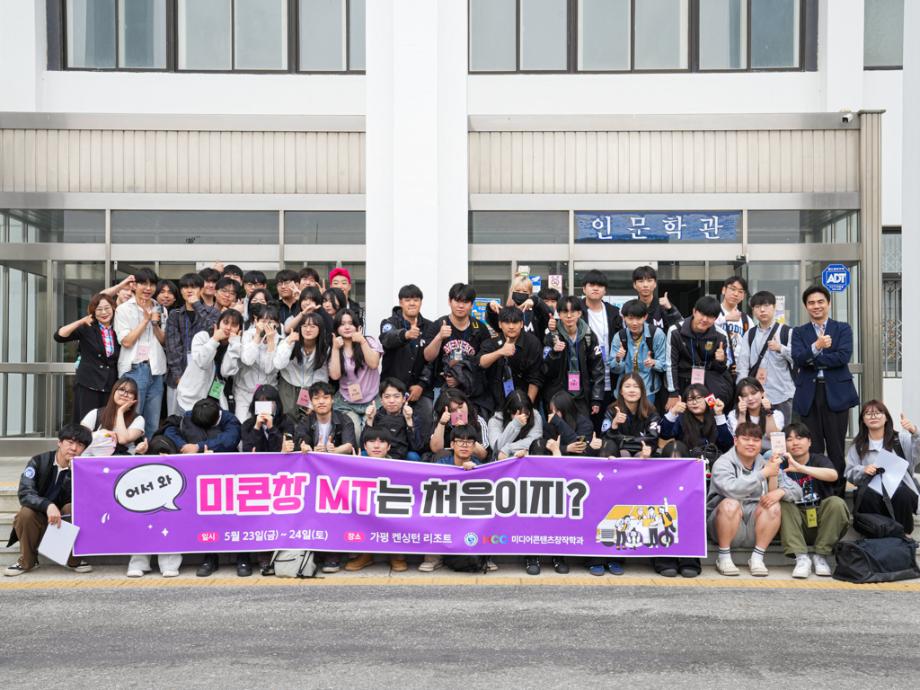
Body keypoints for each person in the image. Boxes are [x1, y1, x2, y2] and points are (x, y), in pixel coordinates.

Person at [707, 422, 802, 577]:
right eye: (746, 439)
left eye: (756, 440)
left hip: (755, 526)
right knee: (730, 503)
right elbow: (732, 489)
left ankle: (757, 558)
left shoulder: (765, 463)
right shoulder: (723, 463)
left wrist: (781, 491)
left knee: (773, 505)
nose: (751, 443)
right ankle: (723, 557)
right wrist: (763, 474)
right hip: (723, 526)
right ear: (736, 440)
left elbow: (797, 491)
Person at [791, 285, 859, 496]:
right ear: (806, 306)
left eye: (820, 301)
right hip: (809, 396)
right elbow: (798, 358)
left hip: (836, 394)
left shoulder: (842, 328)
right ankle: (815, 495)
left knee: (837, 447)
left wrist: (813, 359)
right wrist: (817, 346)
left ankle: (836, 497)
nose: (816, 306)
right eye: (811, 302)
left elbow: (843, 357)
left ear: (828, 303)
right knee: (813, 448)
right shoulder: (799, 332)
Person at [4, 424, 94, 576]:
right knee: (26, 513)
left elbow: (87, 501)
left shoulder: (83, 469)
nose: (74, 448)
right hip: (39, 519)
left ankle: (73, 559)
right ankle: (27, 561)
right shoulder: (39, 461)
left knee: (74, 509)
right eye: (70, 442)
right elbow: (25, 493)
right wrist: (47, 505)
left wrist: (74, 474)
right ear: (59, 442)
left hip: (64, 521)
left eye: (80, 445)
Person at [780, 422, 850, 579]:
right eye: (789, 439)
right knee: (783, 504)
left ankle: (820, 556)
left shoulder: (818, 459)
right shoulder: (781, 464)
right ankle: (801, 558)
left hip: (822, 522)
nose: (795, 443)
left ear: (809, 442)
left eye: (799, 438)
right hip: (796, 523)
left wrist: (801, 468)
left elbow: (833, 475)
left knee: (836, 503)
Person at [844, 400, 919, 535]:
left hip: (901, 492)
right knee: (867, 495)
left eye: (878, 413)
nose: (873, 416)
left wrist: (915, 433)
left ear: (886, 418)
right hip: (872, 494)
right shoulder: (858, 445)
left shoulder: (900, 439)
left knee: (902, 494)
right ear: (863, 421)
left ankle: (901, 536)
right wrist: (863, 470)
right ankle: (876, 535)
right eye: (868, 413)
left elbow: (917, 454)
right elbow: (849, 473)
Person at [345, 428, 410, 573]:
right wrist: (354, 468)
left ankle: (396, 554)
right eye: (372, 441)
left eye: (382, 442)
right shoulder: (355, 463)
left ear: (389, 446)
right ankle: (366, 554)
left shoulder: (400, 467)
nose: (376, 446)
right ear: (365, 446)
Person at [423, 282, 493, 415]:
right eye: (457, 301)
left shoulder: (480, 328)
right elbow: (427, 356)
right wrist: (439, 337)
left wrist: (461, 377)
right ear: (449, 301)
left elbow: (483, 363)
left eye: (465, 302)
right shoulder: (438, 325)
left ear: (471, 304)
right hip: (444, 388)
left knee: (471, 425)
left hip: (472, 391)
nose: (461, 306)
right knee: (443, 422)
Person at [114, 267, 167, 441]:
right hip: (134, 370)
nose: (148, 288)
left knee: (152, 422)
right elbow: (126, 342)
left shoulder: (160, 308)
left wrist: (155, 324)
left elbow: (164, 341)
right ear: (134, 285)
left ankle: (148, 452)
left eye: (152, 284)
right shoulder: (123, 310)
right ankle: (129, 452)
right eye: (143, 283)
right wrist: (145, 320)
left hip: (156, 370)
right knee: (132, 418)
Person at [54, 292, 121, 423]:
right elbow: (59, 336)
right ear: (93, 312)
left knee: (105, 423)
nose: (104, 312)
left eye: (107, 308)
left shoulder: (118, 328)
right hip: (88, 383)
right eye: (99, 309)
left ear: (113, 308)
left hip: (110, 384)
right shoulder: (87, 328)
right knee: (86, 422)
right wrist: (82, 321)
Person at [380, 284, 434, 437]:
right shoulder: (389, 323)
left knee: (426, 417)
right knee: (389, 428)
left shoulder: (430, 327)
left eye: (416, 300)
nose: (412, 303)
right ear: (400, 302)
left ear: (421, 302)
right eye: (407, 300)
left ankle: (420, 450)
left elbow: (432, 359)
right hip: (392, 388)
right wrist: (405, 335)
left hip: (420, 389)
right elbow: (387, 339)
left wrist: (421, 385)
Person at [735, 290, 795, 425]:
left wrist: (781, 348)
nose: (762, 310)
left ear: (774, 307)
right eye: (757, 307)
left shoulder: (787, 332)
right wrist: (743, 392)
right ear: (753, 310)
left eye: (766, 305)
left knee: (782, 434)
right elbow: (742, 366)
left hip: (782, 394)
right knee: (757, 433)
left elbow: (797, 359)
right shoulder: (749, 334)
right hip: (755, 397)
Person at [164, 273, 220, 416]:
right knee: (176, 417)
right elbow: (172, 347)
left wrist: (197, 305)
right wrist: (178, 377)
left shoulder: (213, 313)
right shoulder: (175, 315)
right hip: (180, 371)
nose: (189, 290)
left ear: (201, 290)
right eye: (185, 287)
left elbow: (212, 330)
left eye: (193, 287)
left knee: (205, 416)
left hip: (205, 371)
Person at [665, 295, 733, 409]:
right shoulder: (675, 331)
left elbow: (722, 369)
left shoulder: (721, 335)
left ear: (715, 319)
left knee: (712, 412)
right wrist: (673, 393)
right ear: (694, 312)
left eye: (710, 316)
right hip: (683, 383)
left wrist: (721, 361)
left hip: (709, 386)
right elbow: (671, 365)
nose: (705, 319)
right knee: (681, 414)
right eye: (702, 314)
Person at [542, 295, 604, 420]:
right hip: (558, 396)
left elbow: (597, 368)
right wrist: (554, 353)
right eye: (565, 312)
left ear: (579, 313)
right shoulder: (552, 336)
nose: (569, 316)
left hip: (582, 396)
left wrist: (596, 398)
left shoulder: (589, 335)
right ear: (559, 314)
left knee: (584, 428)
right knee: (560, 429)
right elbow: (545, 370)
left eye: (573, 311)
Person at [579, 269, 623, 432]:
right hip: (585, 370)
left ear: (605, 290)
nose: (595, 288)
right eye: (591, 285)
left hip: (609, 369)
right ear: (584, 289)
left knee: (606, 415)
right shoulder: (576, 310)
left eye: (600, 285)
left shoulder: (613, 311)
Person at [175, 310, 242, 414]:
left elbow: (226, 372)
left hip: (215, 397)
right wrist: (215, 340)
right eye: (225, 322)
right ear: (218, 323)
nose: (228, 328)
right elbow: (202, 363)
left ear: (239, 329)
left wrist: (234, 345)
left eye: (234, 325)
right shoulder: (202, 337)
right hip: (191, 397)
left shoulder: (236, 345)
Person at [651, 440, 701, 579]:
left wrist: (697, 468)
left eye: (679, 459)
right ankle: (665, 561)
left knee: (691, 516)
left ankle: (689, 561)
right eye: (670, 459)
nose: (675, 464)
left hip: (686, 513)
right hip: (664, 514)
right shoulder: (656, 474)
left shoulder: (694, 472)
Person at [329, 309, 383, 437]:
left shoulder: (369, 341)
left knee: (370, 434)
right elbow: (335, 376)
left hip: (372, 400)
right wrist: (335, 349)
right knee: (355, 433)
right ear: (337, 328)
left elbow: (374, 363)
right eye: (342, 324)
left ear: (358, 327)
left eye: (350, 323)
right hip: (346, 402)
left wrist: (362, 341)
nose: (347, 327)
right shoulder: (335, 347)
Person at [478, 306, 544, 407]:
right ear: (500, 324)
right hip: (495, 403)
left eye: (515, 322)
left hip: (524, 399)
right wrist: (500, 352)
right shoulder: (492, 342)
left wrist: (527, 406)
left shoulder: (532, 343)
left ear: (521, 324)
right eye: (507, 322)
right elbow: (481, 363)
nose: (511, 326)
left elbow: (535, 378)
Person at [609, 299, 668, 404]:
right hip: (625, 390)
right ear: (624, 317)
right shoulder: (620, 336)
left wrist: (653, 363)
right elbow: (614, 369)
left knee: (646, 414)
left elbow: (664, 364)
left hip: (647, 389)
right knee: (623, 414)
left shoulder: (656, 334)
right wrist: (618, 359)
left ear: (645, 317)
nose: (634, 323)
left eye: (639, 318)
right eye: (630, 318)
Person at [273, 311, 330, 415]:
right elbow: (279, 364)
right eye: (304, 326)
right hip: (288, 385)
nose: (308, 329)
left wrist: (316, 397)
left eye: (312, 326)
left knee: (306, 418)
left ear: (320, 329)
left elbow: (321, 375)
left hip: (310, 387)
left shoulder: (324, 348)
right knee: (288, 417)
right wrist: (288, 343)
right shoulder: (290, 341)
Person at [659, 384, 734, 457]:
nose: (694, 402)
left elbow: (727, 444)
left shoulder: (717, 416)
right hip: (689, 460)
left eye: (698, 398)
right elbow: (665, 435)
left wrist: (719, 414)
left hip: (715, 459)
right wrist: (673, 412)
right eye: (690, 399)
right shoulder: (681, 418)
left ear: (707, 399)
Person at [236, 304, 280, 423]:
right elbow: (247, 360)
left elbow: (269, 369)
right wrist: (257, 337)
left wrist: (270, 342)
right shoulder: (247, 335)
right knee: (242, 424)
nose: (267, 325)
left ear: (277, 324)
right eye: (263, 321)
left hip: (266, 394)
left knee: (263, 425)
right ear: (256, 321)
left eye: (270, 322)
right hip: (245, 391)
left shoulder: (279, 340)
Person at [80, 377, 146, 456]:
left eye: (130, 392)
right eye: (121, 389)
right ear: (114, 391)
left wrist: (120, 412)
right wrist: (101, 434)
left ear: (135, 398)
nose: (125, 394)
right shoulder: (96, 413)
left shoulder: (138, 419)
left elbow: (122, 440)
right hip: (94, 458)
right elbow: (81, 437)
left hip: (122, 459)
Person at [363, 378, 425, 461]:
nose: (391, 401)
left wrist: (409, 420)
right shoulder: (375, 414)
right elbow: (363, 445)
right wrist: (370, 420)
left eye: (396, 396)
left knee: (413, 456)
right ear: (381, 400)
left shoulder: (412, 415)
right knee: (362, 454)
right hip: (378, 454)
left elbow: (417, 447)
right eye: (387, 397)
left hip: (401, 455)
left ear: (404, 399)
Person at [599, 374, 660, 458]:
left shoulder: (651, 411)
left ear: (642, 391)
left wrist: (625, 440)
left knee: (642, 456)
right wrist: (614, 426)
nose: (632, 390)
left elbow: (652, 438)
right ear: (621, 391)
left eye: (636, 387)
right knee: (622, 453)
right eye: (627, 386)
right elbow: (605, 438)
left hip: (643, 450)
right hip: (618, 450)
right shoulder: (612, 410)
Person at [292, 381, 357, 455]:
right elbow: (301, 442)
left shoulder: (344, 419)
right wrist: (309, 449)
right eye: (316, 398)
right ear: (311, 402)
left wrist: (333, 450)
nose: (321, 402)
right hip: (314, 460)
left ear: (332, 400)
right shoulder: (305, 421)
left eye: (325, 398)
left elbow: (349, 446)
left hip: (336, 460)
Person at [162, 396, 242, 456]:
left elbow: (229, 440)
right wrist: (184, 446)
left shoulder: (231, 421)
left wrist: (198, 447)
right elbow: (169, 429)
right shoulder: (196, 413)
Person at [429, 388, 490, 462]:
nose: (459, 412)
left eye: (461, 407)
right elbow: (436, 450)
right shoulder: (441, 421)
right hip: (446, 461)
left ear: (466, 403)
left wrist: (465, 429)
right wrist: (442, 424)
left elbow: (482, 454)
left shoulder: (477, 420)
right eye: (453, 410)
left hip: (471, 462)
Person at [485, 273, 553, 339]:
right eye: (517, 290)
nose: (521, 293)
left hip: (534, 346)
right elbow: (494, 324)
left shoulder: (536, 312)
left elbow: (549, 315)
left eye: (525, 291)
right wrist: (490, 309)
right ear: (512, 292)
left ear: (530, 294)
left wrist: (535, 300)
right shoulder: (507, 312)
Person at [727, 378, 784, 452]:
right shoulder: (733, 415)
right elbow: (741, 439)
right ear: (739, 398)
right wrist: (742, 414)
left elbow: (774, 438)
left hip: (770, 454)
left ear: (762, 393)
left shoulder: (777, 414)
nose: (750, 398)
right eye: (745, 395)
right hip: (746, 453)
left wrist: (768, 412)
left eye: (753, 393)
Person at [487, 389, 543, 461]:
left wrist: (509, 448)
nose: (523, 417)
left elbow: (535, 439)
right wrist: (515, 424)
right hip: (504, 460)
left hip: (525, 457)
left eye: (526, 413)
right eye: (519, 414)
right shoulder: (495, 420)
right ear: (509, 411)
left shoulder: (535, 415)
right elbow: (497, 447)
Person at [714, 276, 755, 375]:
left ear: (743, 296)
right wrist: (725, 318)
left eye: (740, 291)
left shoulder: (746, 319)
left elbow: (752, 346)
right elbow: (701, 326)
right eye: (732, 289)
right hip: (715, 368)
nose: (736, 294)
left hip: (739, 371)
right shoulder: (713, 313)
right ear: (724, 290)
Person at [240, 385, 296, 453]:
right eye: (261, 404)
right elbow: (247, 451)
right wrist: (257, 428)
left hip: (279, 459)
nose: (264, 407)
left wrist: (271, 428)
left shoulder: (287, 422)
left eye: (268, 403)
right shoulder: (247, 425)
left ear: (276, 404)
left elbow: (285, 449)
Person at [544, 391, 596, 457]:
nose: (553, 414)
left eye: (557, 411)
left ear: (566, 409)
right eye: (551, 411)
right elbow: (546, 447)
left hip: (577, 461)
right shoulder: (551, 422)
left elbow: (581, 447)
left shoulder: (585, 424)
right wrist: (566, 449)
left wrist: (559, 423)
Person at [631, 265, 682, 332]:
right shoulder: (631, 308)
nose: (645, 285)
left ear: (655, 284)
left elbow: (681, 326)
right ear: (634, 285)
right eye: (641, 281)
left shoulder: (664, 306)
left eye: (649, 281)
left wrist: (670, 309)